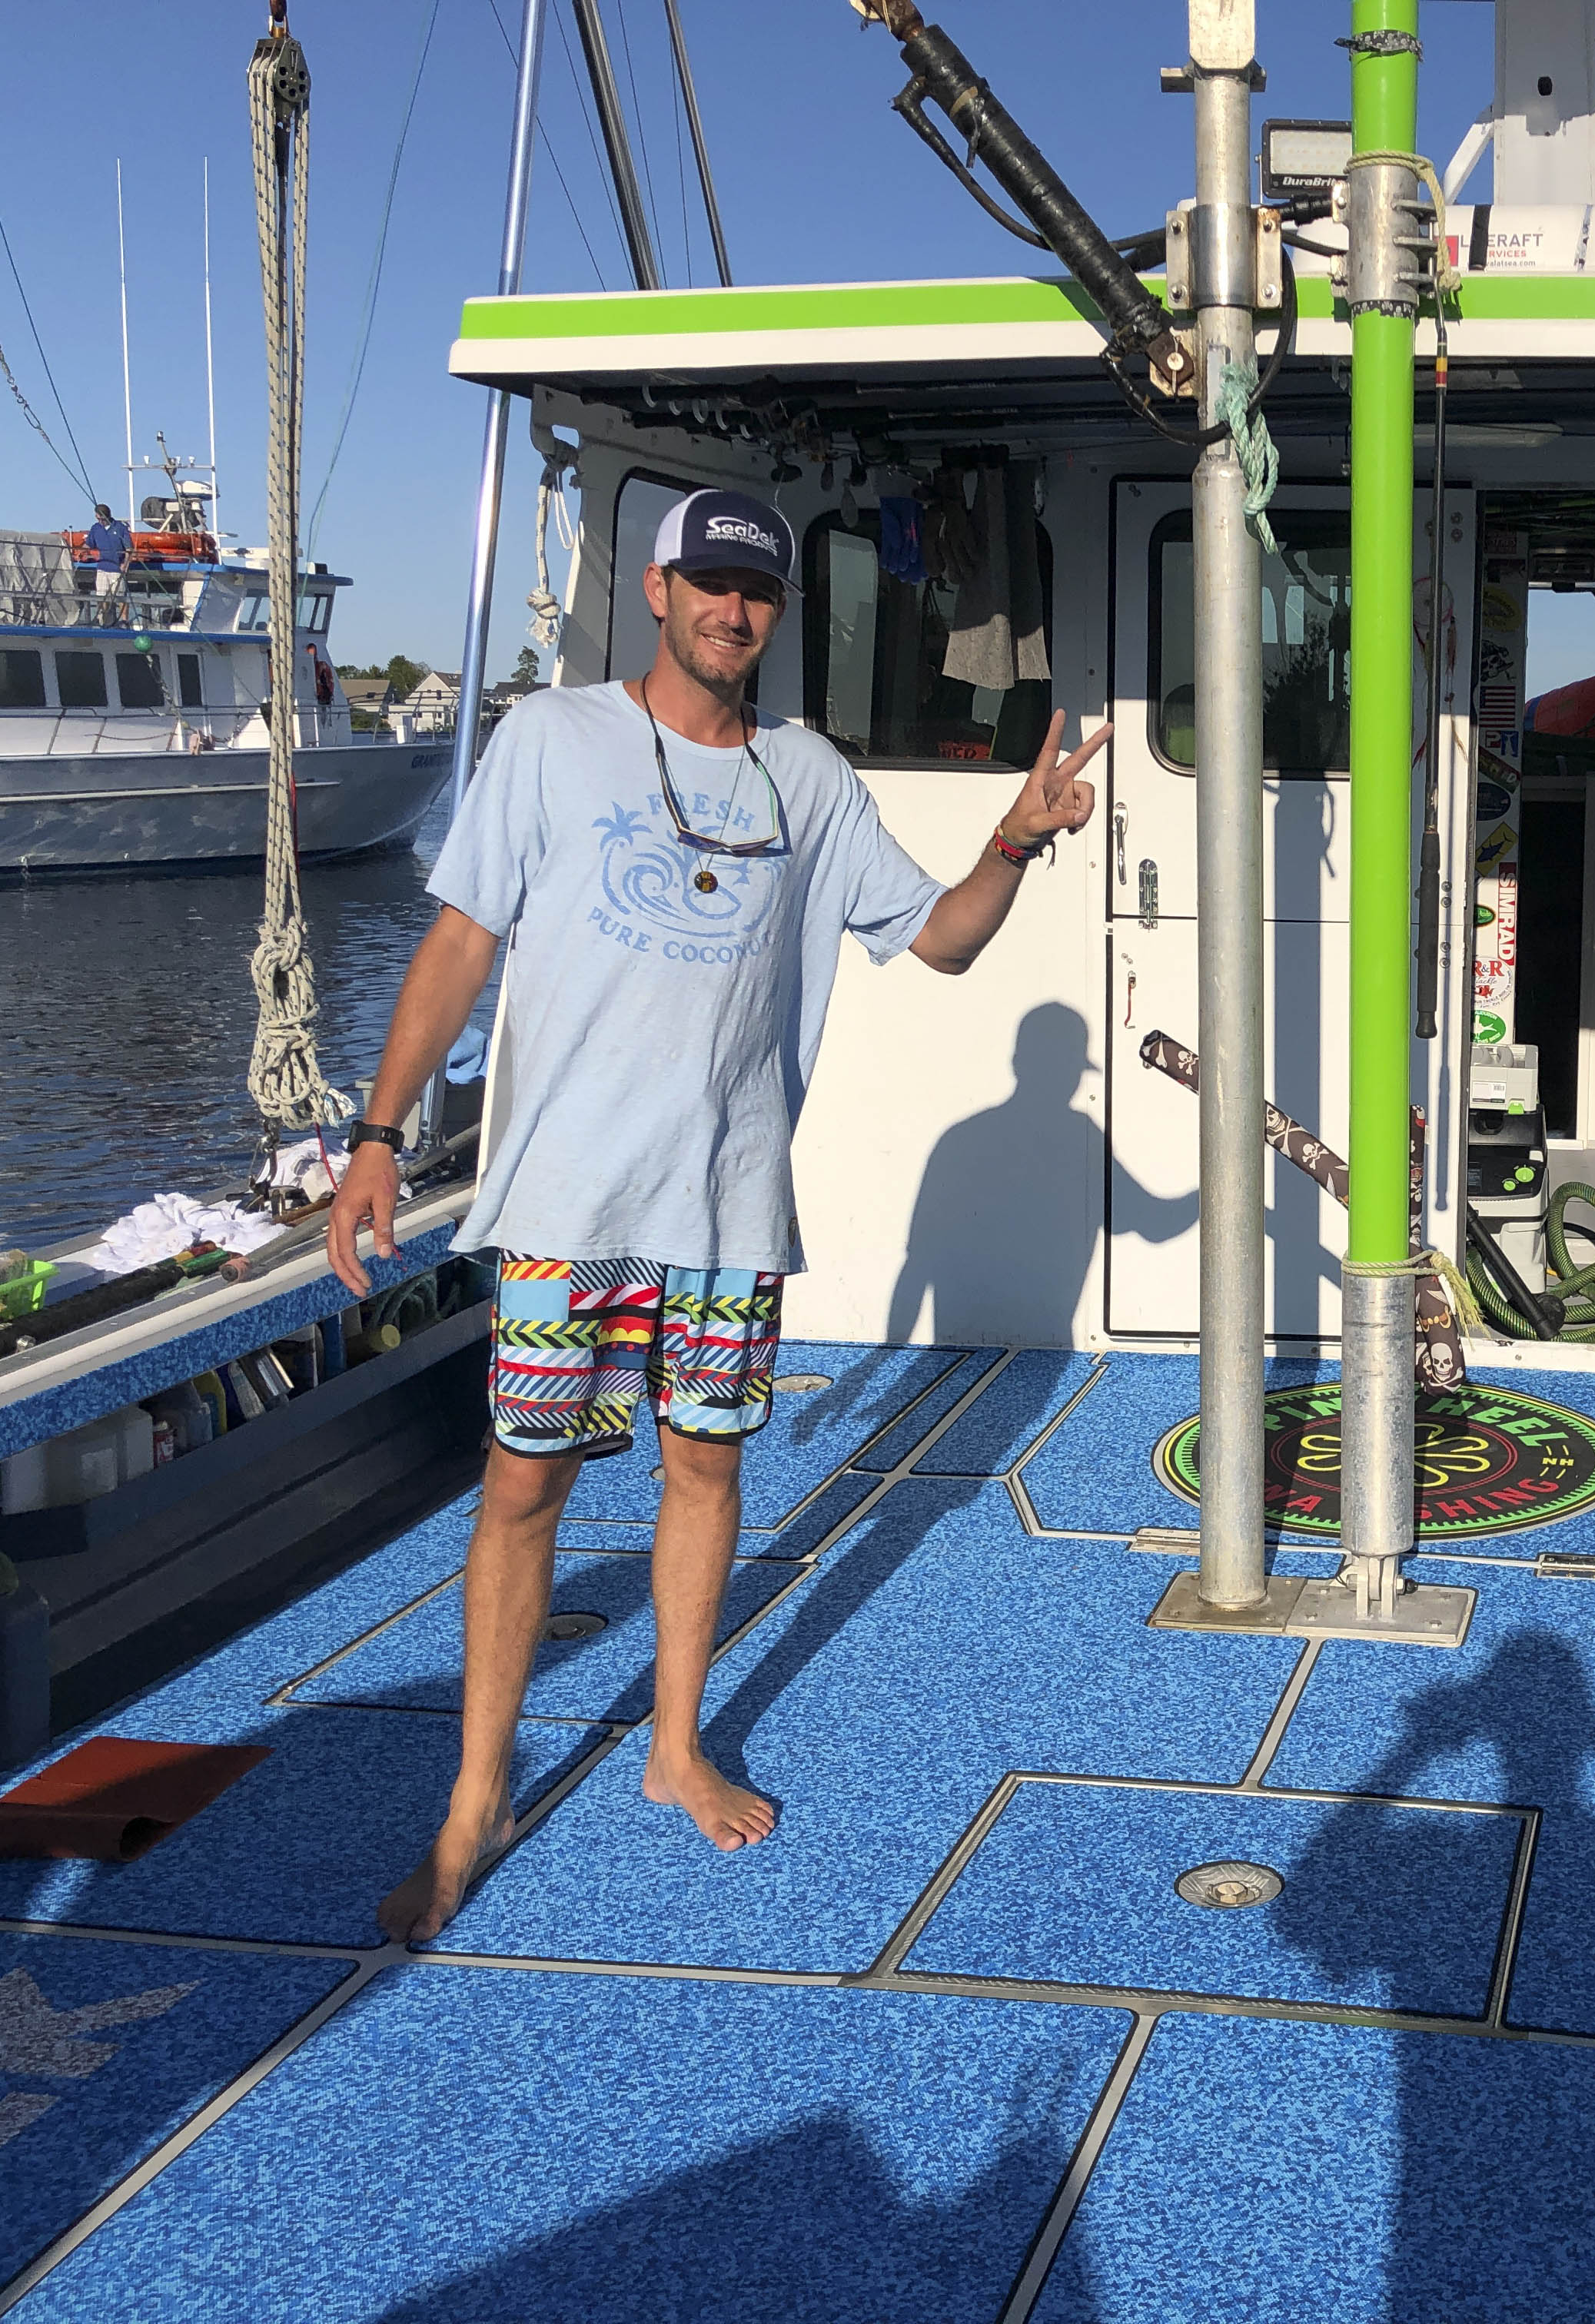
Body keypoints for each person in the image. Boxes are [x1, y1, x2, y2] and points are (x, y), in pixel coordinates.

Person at [325, 486, 1103, 1944]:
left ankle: (674, 1743)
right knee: (519, 1485)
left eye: (759, 594)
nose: (734, 612)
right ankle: (474, 1796)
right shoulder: (550, 739)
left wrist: (1014, 839)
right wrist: (379, 1134)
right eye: (712, 585)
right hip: (565, 1198)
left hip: (728, 1204)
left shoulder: (804, 775)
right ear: (659, 586)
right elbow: (457, 939)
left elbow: (933, 939)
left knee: (702, 1469)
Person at [78, 502, 130, 624]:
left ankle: (124, 621)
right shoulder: (96, 528)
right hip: (102, 567)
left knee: (120, 596)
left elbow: (129, 549)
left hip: (116, 568)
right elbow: (89, 544)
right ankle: (103, 619)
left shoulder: (120, 528)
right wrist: (81, 551)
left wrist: (125, 565)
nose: (101, 521)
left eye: (102, 519)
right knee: (101, 596)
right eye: (98, 519)